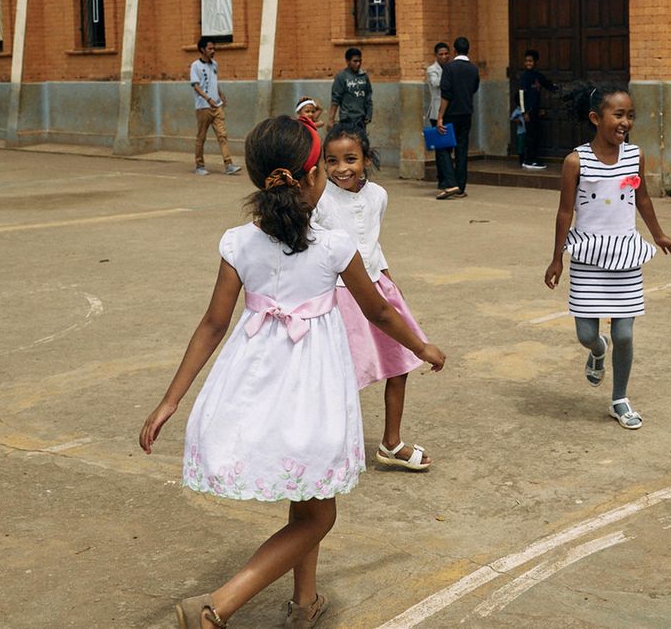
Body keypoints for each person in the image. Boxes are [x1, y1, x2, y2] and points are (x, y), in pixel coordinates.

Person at [139, 115, 445, 629]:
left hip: (254, 380)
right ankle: (217, 606)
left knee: (306, 498)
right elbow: (380, 311)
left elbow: (214, 324)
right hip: (312, 387)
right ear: (311, 179)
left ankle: (305, 604)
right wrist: (423, 347)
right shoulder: (334, 245)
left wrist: (171, 400)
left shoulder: (238, 242)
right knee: (320, 513)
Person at [544, 84, 671, 430]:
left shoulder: (635, 156)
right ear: (595, 118)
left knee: (625, 334)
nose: (625, 122)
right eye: (618, 114)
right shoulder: (576, 161)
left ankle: (619, 398)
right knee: (586, 333)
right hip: (588, 256)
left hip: (625, 256)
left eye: (630, 115)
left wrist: (658, 234)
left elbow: (643, 199)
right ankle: (597, 350)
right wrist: (557, 258)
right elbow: (564, 212)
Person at [315, 126, 436, 471]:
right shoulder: (320, 199)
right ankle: (329, 449)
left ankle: (391, 442)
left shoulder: (379, 196)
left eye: (351, 159)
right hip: (338, 296)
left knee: (400, 362)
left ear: (366, 160)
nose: (342, 168)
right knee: (341, 375)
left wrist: (389, 281)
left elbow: (371, 242)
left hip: (377, 289)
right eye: (332, 161)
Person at [435, 36, 479, 200]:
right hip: (466, 113)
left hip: (451, 114)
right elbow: (474, 88)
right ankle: (460, 187)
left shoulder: (449, 68)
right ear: (468, 50)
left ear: (454, 50)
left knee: (443, 148)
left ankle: (451, 182)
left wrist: (440, 116)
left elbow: (446, 94)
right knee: (462, 150)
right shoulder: (473, 69)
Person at [191, 36, 240, 176]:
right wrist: (208, 99)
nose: (213, 51)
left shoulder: (214, 65)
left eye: (214, 48)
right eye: (210, 48)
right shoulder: (196, 66)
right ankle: (199, 165)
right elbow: (196, 86)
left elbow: (214, 82)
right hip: (203, 107)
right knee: (201, 137)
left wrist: (220, 94)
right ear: (202, 50)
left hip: (216, 106)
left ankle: (228, 164)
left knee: (222, 135)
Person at [516, 49, 556, 170]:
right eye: (526, 61)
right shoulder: (524, 77)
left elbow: (548, 85)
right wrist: (524, 112)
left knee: (535, 135)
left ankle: (533, 158)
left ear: (535, 62)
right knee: (530, 136)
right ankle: (528, 160)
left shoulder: (538, 76)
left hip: (535, 111)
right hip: (528, 112)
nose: (528, 63)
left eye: (531, 61)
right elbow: (521, 95)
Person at [329, 48, 373, 135]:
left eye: (360, 61)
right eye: (355, 61)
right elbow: (335, 99)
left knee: (361, 144)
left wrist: (369, 114)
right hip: (347, 119)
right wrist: (331, 119)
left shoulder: (364, 76)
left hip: (361, 119)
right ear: (347, 61)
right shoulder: (341, 77)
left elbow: (368, 97)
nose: (358, 64)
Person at [426, 42, 451, 190]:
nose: (444, 56)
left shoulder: (450, 68)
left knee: (448, 147)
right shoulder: (432, 70)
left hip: (449, 112)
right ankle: (441, 178)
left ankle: (446, 175)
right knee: (440, 147)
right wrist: (451, 77)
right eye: (441, 54)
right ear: (436, 55)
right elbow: (436, 84)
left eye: (446, 54)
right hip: (436, 113)